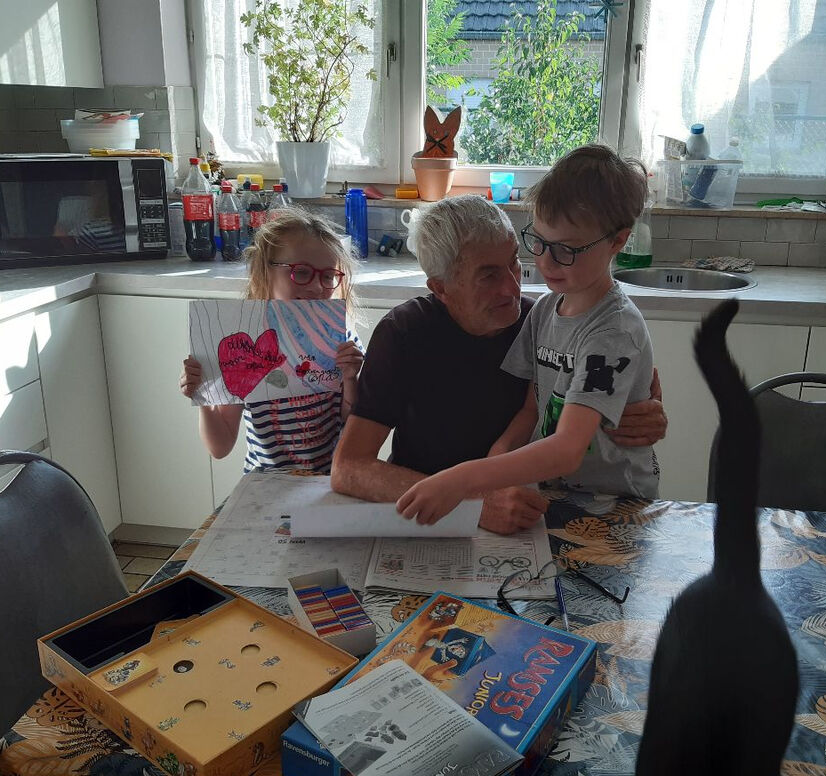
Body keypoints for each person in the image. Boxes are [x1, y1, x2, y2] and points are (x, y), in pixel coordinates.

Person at [330, 192, 666, 534]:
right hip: (430, 517)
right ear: (441, 288)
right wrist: (472, 504)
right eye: (488, 276)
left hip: (527, 512)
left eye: (514, 262)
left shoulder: (542, 324)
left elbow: (595, 410)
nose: (512, 287)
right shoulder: (404, 333)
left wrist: (635, 412)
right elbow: (349, 467)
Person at [396, 144, 659, 525]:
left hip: (615, 503)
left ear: (617, 241)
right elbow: (530, 410)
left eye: (566, 249)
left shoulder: (613, 332)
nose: (546, 261)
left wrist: (462, 478)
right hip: (557, 494)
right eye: (539, 241)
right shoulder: (545, 311)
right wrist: (492, 468)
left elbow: (568, 449)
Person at [179, 208, 365, 473]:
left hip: (325, 482)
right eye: (302, 272)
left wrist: (350, 378)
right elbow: (220, 447)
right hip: (265, 483)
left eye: (327, 276)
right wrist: (203, 395)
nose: (316, 287)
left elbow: (352, 424)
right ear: (265, 272)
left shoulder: (342, 340)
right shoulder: (243, 343)